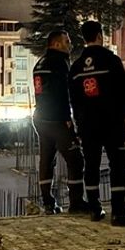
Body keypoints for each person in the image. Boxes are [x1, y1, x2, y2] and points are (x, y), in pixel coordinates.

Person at [69, 20, 125, 227]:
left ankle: (94, 207)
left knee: (91, 164)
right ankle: (119, 210)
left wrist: (78, 123)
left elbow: (74, 99)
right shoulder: (110, 61)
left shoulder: (76, 67)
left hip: (87, 124)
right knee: (117, 164)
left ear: (84, 38)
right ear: (100, 36)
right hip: (111, 122)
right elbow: (124, 89)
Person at [32, 29, 87, 214]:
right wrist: (68, 119)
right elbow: (63, 93)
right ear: (56, 44)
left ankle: (48, 202)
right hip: (57, 120)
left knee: (46, 159)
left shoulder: (40, 63)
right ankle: (76, 202)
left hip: (40, 118)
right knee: (75, 160)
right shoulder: (60, 63)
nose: (70, 45)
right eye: (67, 41)